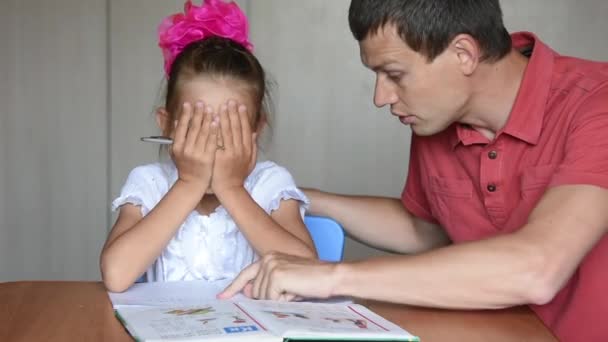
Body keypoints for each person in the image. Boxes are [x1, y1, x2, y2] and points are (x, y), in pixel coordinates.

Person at [219, 0, 608, 340]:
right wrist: (296, 194)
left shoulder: (596, 103)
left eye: (395, 75)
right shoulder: (437, 117)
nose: (380, 97)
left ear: (463, 54)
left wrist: (331, 276)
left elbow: (537, 270)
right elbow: (429, 230)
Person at [100, 0, 316, 293]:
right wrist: (189, 183)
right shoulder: (149, 183)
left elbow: (307, 272)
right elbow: (115, 274)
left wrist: (232, 189)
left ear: (256, 130)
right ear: (167, 124)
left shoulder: (271, 184)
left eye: (229, 133)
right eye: (196, 130)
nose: (211, 149)